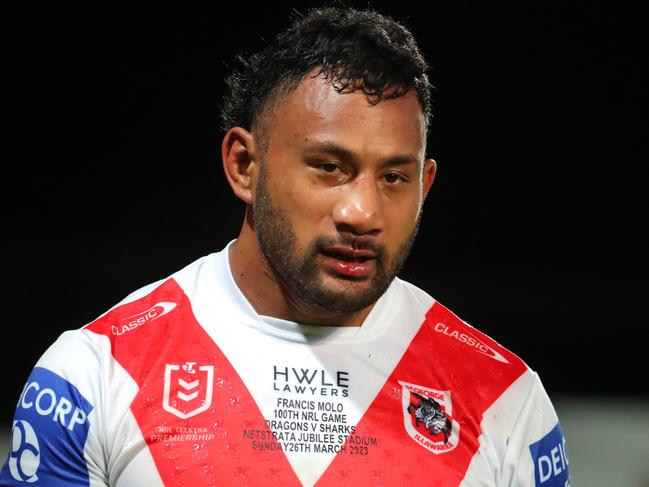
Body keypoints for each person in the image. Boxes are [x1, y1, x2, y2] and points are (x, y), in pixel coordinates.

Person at [1, 6, 570, 487]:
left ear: (425, 186)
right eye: (329, 167)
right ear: (244, 166)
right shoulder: (94, 377)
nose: (362, 214)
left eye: (395, 178)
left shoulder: (505, 402)